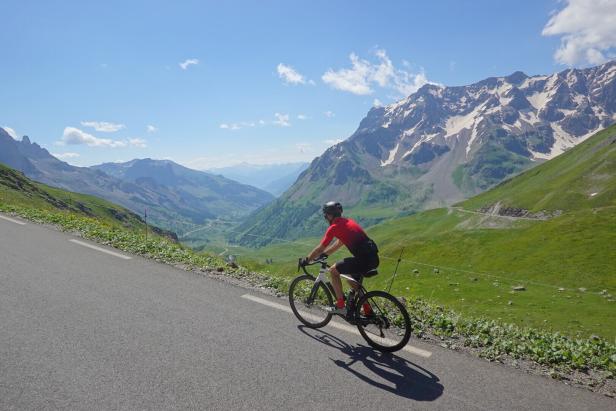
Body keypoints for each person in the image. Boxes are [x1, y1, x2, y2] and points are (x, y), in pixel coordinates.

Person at [304, 201, 379, 315]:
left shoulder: (334, 227)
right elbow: (340, 242)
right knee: (351, 279)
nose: (325, 218)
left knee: (334, 270)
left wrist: (307, 259)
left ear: (329, 215)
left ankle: (340, 306)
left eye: (325, 216)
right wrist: (326, 254)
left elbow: (320, 248)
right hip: (373, 258)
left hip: (363, 260)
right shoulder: (348, 222)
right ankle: (367, 309)